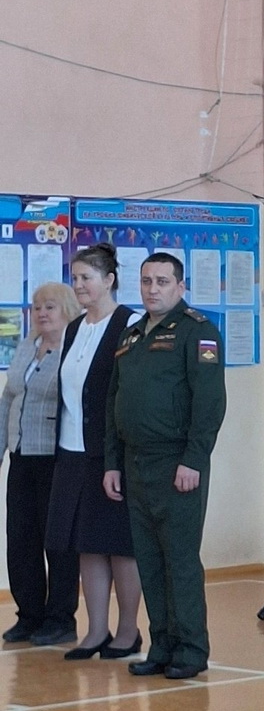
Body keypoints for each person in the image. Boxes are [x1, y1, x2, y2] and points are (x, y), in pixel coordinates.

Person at [104, 252, 227, 680]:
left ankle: (191, 649)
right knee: (149, 559)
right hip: (135, 462)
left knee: (180, 559)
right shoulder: (132, 335)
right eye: (146, 281)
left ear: (180, 286)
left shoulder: (197, 331)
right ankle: (162, 645)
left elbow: (209, 402)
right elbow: (114, 403)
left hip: (176, 461)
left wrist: (194, 459)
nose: (152, 289)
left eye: (162, 281)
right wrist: (112, 463)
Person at [44, 244, 142, 658]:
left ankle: (128, 631)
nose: (79, 285)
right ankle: (96, 630)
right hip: (72, 452)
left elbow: (129, 393)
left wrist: (118, 454)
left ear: (109, 280)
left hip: (110, 454)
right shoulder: (74, 328)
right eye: (75, 277)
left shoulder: (130, 324)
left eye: (87, 277)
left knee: (119, 545)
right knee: (86, 544)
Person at [0, 283, 82, 645]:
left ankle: (60, 618)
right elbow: (8, 398)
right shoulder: (26, 347)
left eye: (50, 306)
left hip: (56, 458)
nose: (42, 313)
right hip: (22, 455)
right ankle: (29, 614)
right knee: (21, 539)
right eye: (37, 307)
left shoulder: (74, 351)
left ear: (67, 310)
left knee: (57, 541)